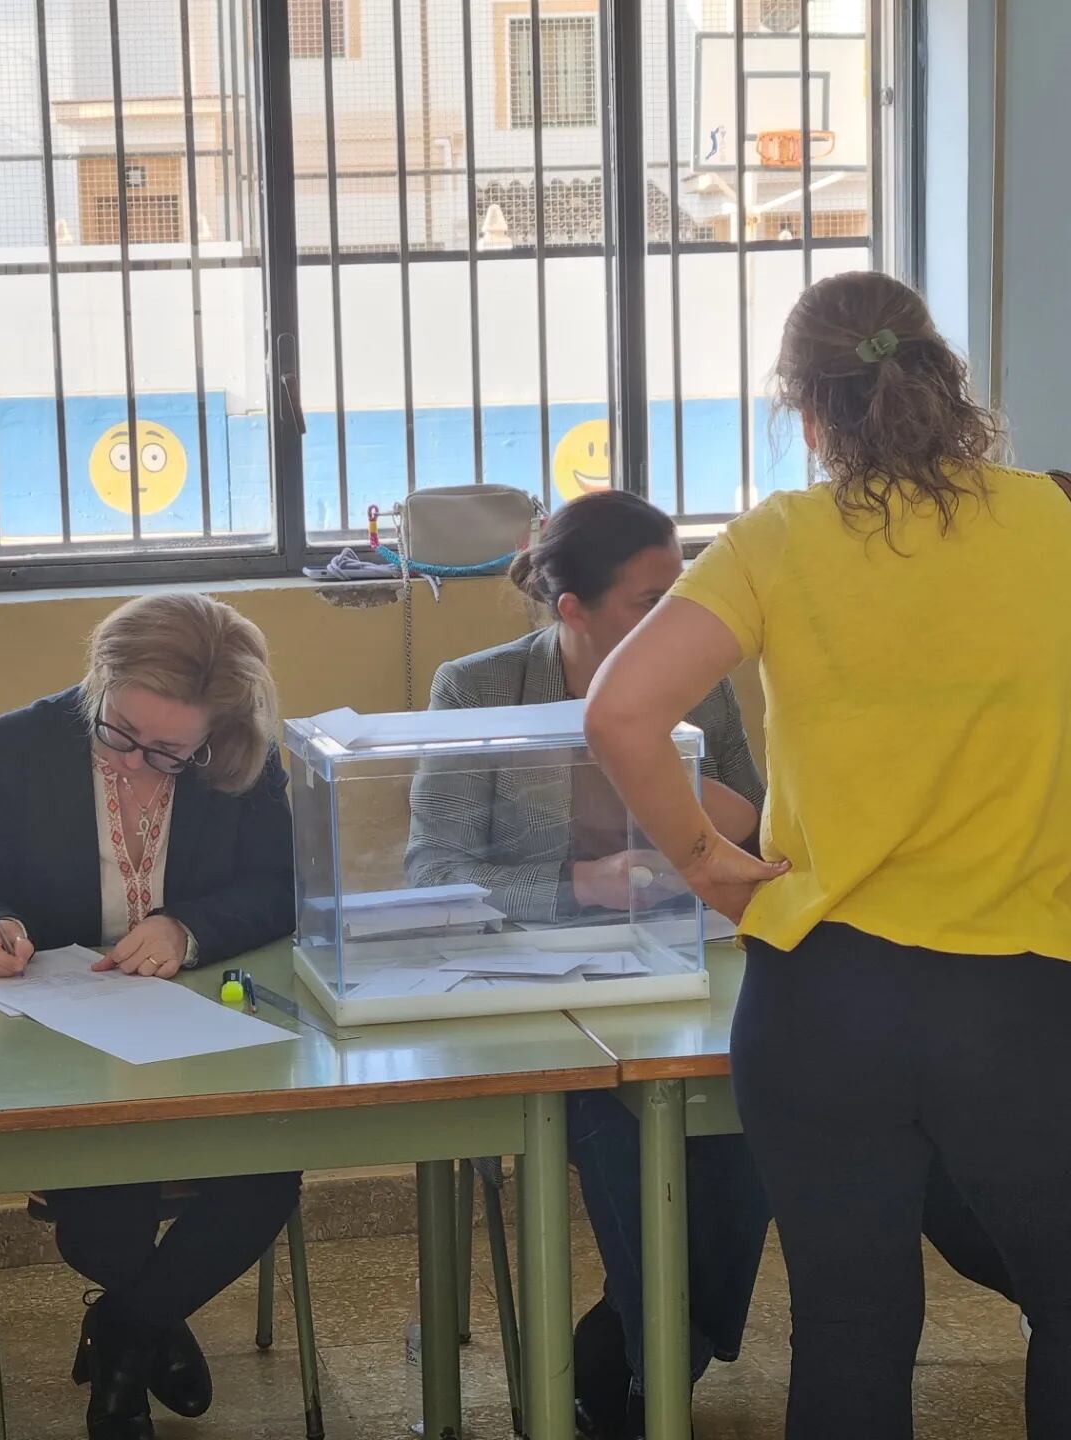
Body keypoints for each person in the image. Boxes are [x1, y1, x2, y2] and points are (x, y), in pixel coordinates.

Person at [584, 270, 1071, 1438]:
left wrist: (706, 863)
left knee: (850, 1327)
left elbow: (620, 714)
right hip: (1019, 1001)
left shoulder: (777, 540)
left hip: (821, 996)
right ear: (946, 376)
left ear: (807, 412)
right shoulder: (1056, 518)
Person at [406, 491, 770, 1440]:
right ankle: (652, 1375)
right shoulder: (479, 690)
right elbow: (433, 872)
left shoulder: (701, 684)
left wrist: (675, 778)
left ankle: (628, 1351)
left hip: (683, 974)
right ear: (572, 608)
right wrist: (581, 883)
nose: (678, 617)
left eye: (681, 592)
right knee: (616, 1135)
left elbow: (759, 834)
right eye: (650, 602)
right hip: (536, 992)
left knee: (746, 1135)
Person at [0, 592, 301, 1440]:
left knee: (269, 1174)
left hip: (205, 1038)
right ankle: (144, 1331)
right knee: (104, 1199)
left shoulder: (241, 759)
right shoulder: (14, 748)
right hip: (60, 1040)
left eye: (168, 753)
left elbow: (279, 887)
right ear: (99, 679)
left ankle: (125, 1329)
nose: (135, 763)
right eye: (119, 733)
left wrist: (187, 928)